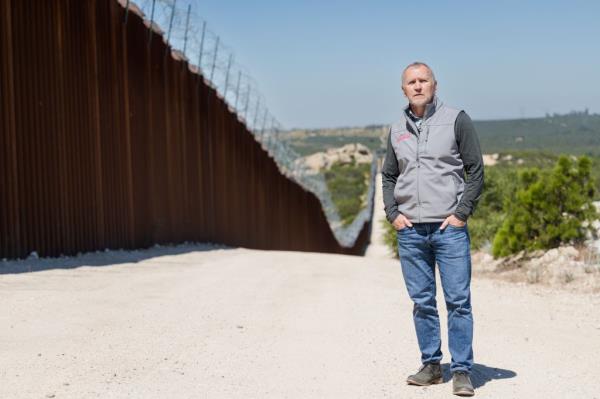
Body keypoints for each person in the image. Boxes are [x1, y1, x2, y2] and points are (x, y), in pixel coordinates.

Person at [382, 62, 484, 397]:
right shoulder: (396, 128)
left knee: (458, 300)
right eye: (411, 82)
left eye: (423, 80)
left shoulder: (457, 119)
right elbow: (389, 175)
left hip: (448, 228)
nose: (417, 85)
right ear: (403, 89)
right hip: (410, 230)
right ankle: (430, 365)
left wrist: (461, 214)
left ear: (434, 84)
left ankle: (462, 370)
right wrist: (393, 213)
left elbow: (475, 170)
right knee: (422, 301)